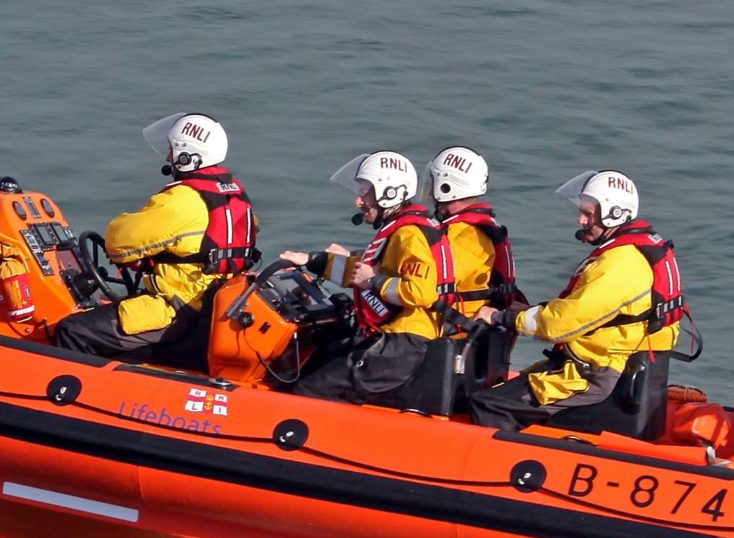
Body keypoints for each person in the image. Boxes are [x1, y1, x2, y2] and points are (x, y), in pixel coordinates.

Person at [469, 169, 685, 432]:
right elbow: (586, 311)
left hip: (595, 373)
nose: (581, 220)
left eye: (588, 213)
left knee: (489, 403)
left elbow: (564, 323)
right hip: (604, 362)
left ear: (614, 213)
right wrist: (530, 311)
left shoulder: (619, 264)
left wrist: (501, 317)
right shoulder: (631, 253)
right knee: (517, 387)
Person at [50, 112, 258, 367]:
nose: (169, 158)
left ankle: (69, 394)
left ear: (187, 157)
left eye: (172, 151)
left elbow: (118, 241)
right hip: (210, 309)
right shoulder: (236, 197)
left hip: (176, 309)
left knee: (74, 330)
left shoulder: (181, 200)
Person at [279, 150, 454, 405]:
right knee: (322, 357)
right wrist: (313, 261)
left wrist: (374, 281)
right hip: (395, 339)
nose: (359, 202)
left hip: (402, 345)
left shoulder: (409, 235)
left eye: (365, 193)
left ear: (390, 193)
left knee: (311, 390)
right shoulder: (399, 229)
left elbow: (421, 291)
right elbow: (362, 271)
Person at [426, 145, 524, 320]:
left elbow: (428, 284)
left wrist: (376, 278)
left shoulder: (466, 235)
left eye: (433, 183)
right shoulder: (473, 226)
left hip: (453, 333)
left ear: (446, 187)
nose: (428, 192)